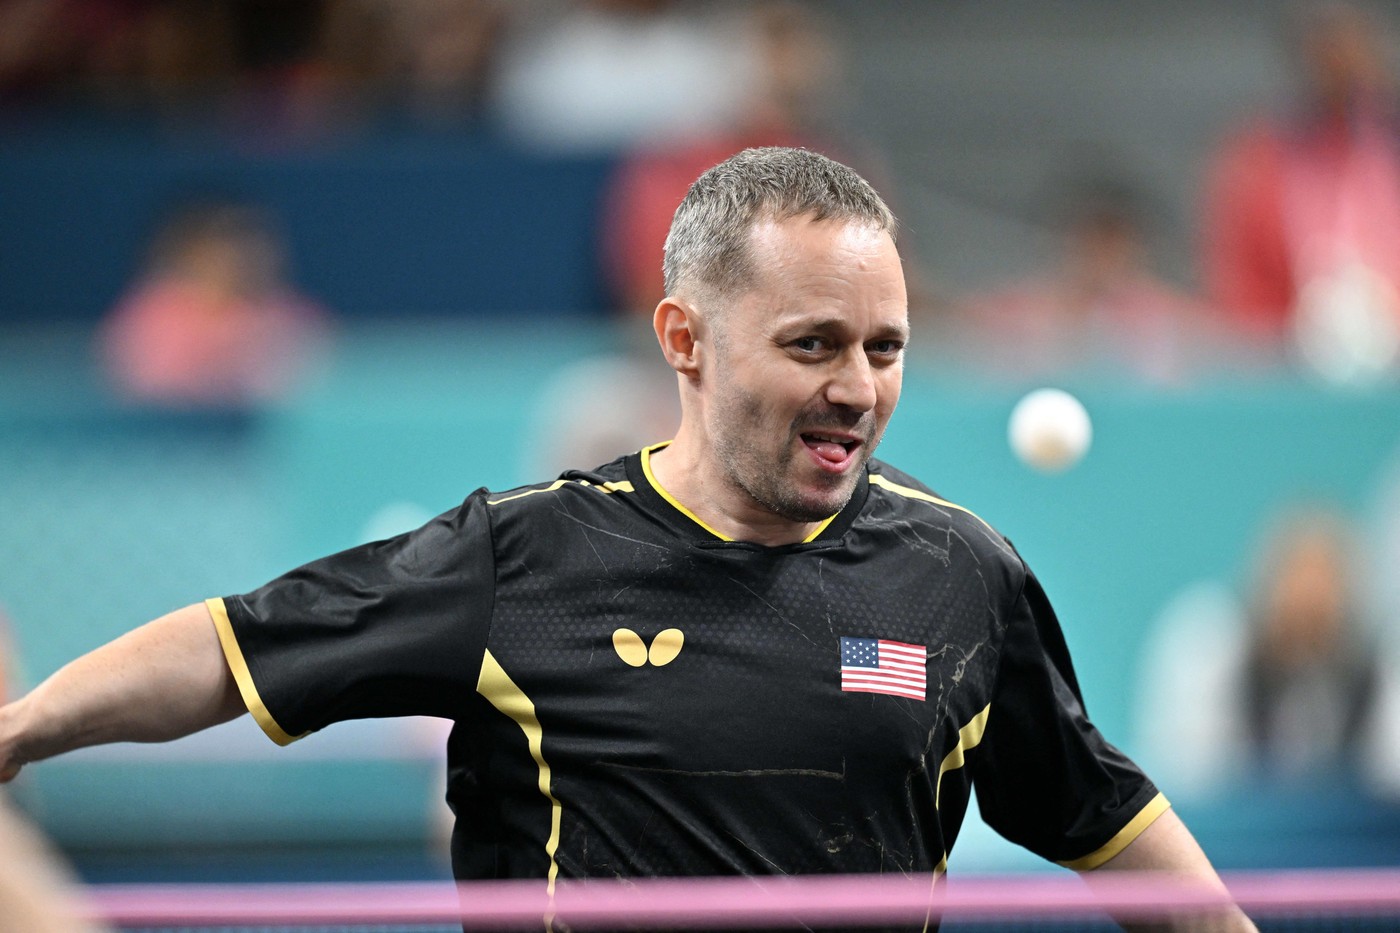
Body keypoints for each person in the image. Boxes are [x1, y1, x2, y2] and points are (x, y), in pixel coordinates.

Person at [0, 148, 1252, 932]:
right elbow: (232, 654)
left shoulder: (958, 575)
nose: (858, 388)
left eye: (884, 349)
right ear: (685, 339)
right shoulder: (522, 562)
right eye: (812, 344)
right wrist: (19, 734)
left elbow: (1100, 814)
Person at [1200, 1, 1400, 380]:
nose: (1337, 59)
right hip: (1294, 376)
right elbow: (1241, 296)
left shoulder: (1388, 150)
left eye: (1348, 42)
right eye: (1323, 44)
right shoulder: (1257, 163)